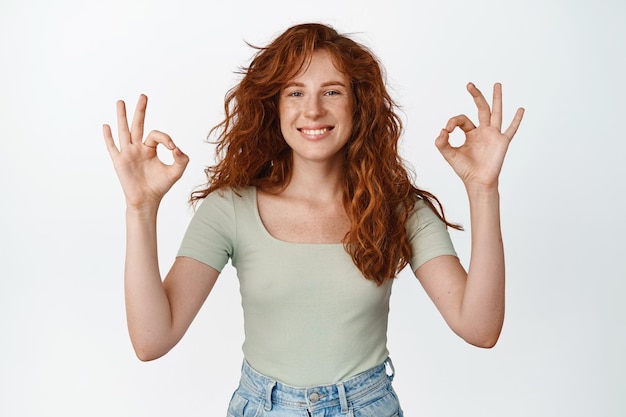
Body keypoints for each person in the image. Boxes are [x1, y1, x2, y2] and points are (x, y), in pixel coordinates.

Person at [103, 23, 524, 417]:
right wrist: (140, 209)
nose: (314, 110)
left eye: (333, 92)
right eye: (296, 93)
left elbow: (480, 328)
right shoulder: (230, 208)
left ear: (359, 104)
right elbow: (152, 340)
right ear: (274, 105)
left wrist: (482, 189)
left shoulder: (400, 209)